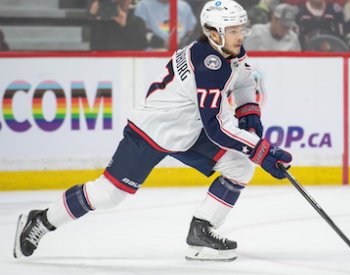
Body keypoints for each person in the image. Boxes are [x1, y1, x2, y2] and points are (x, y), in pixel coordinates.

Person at [13, 0, 292, 262]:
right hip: (151, 132)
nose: (240, 35)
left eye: (240, 29)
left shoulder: (228, 51)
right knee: (108, 194)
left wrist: (250, 117)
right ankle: (40, 220)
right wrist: (261, 150)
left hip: (188, 132)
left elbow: (243, 81)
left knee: (240, 166)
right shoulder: (210, 65)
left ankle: (201, 231)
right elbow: (217, 128)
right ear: (213, 33)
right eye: (233, 30)